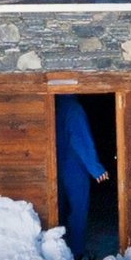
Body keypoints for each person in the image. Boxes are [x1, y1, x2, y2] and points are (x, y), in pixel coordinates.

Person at [55, 96, 110, 249]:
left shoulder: (55, 105)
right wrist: (96, 168)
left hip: (54, 166)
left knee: (57, 209)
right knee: (78, 210)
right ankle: (76, 252)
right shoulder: (73, 108)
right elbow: (80, 139)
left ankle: (57, 251)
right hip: (74, 166)